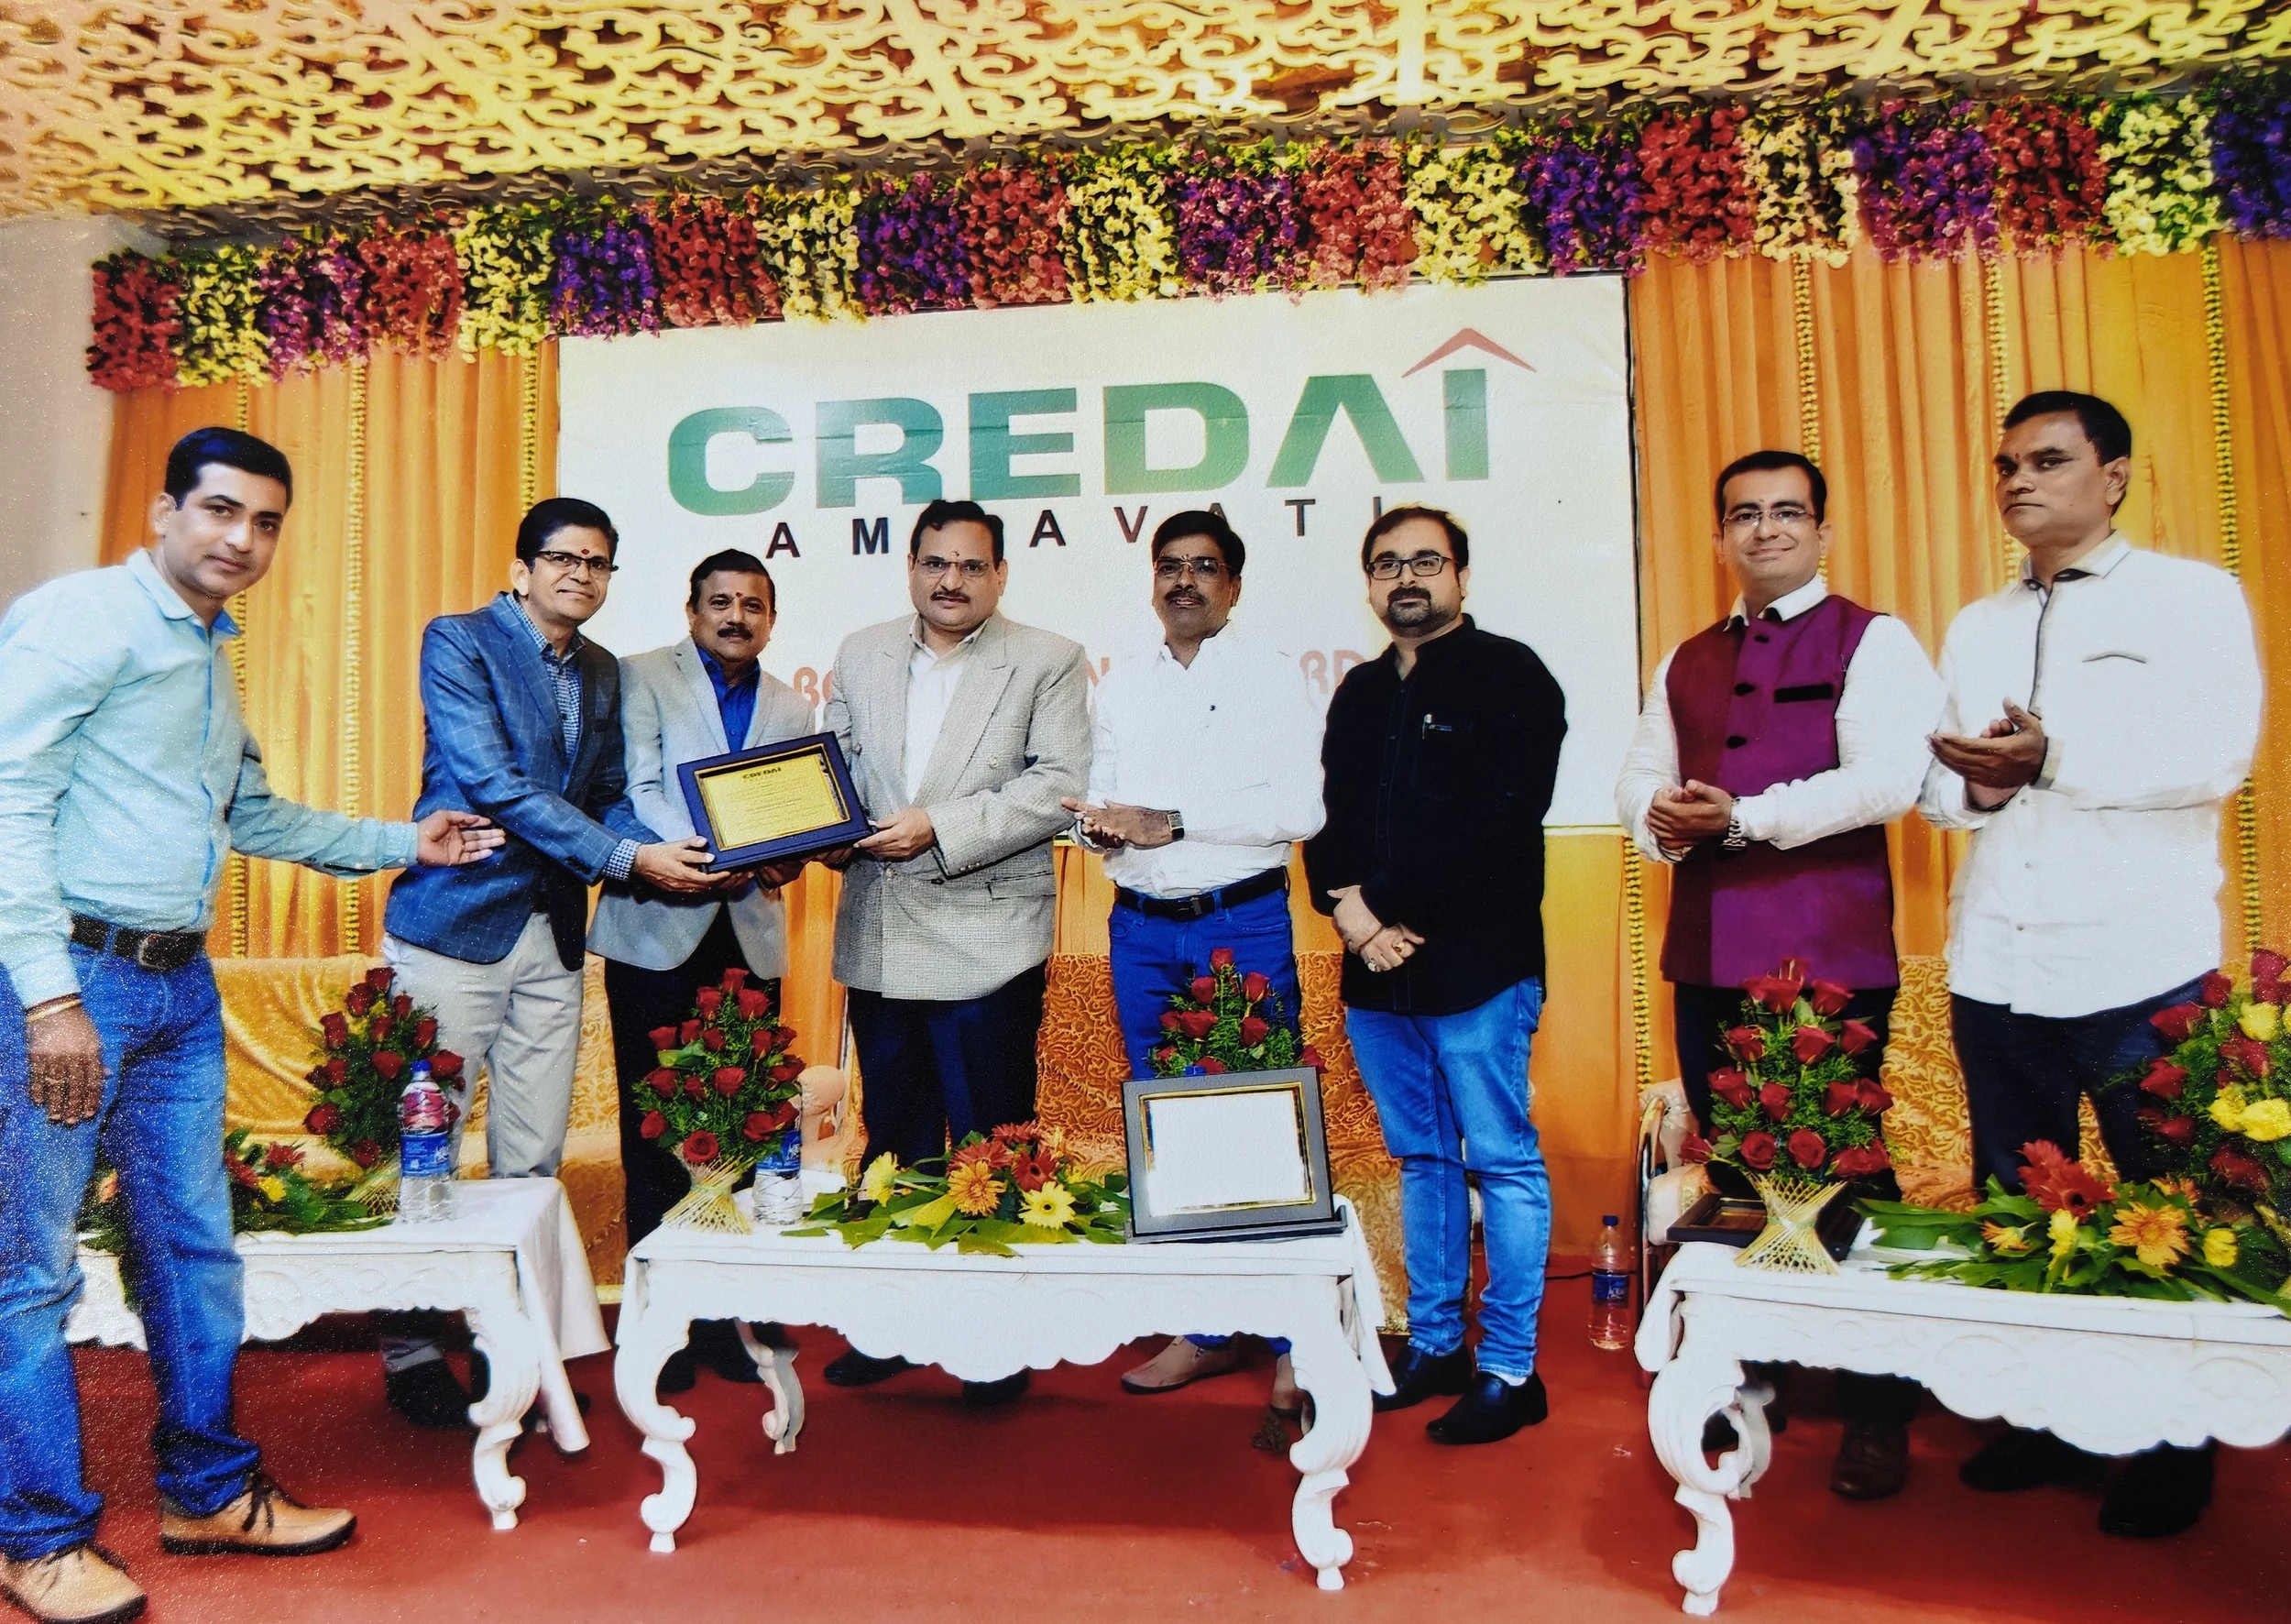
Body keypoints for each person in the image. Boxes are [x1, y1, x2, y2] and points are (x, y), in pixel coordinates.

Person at [0, 427, 504, 1624]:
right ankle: (35, 1537)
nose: (242, 539)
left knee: (193, 1254)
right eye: (220, 511)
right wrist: (47, 997)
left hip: (178, 991)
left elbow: (255, 817)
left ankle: (208, 1492)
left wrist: (403, 842)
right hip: (71, 981)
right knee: (29, 1273)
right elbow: (6, 794)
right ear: (166, 511)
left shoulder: (209, 656)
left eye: (266, 522)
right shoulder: (86, 618)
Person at [1922, 390, 2262, 1538]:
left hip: (2138, 963)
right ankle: (2042, 1412)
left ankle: (2176, 1440)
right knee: (2019, 1201)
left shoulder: (2191, 598)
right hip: (1995, 963)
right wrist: (1975, 780)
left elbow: (2216, 753)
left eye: (2049, 460)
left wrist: (2052, 755)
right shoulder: (1973, 623)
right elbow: (1944, 792)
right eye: (2006, 463)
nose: (2019, 480)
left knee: (2171, 1206)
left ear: (2113, 475)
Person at [1616, 449, 1945, 1498]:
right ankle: (1758, 1371)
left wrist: (1748, 817)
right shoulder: (1687, 656)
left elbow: (1889, 777)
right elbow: (1639, 773)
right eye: (1743, 515)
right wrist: (1655, 821)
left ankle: (1879, 1404)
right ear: (1718, 536)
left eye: (1786, 513)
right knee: (1742, 1177)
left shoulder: (1872, 637)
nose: (1764, 531)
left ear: (1822, 530)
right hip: (1708, 948)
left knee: (1842, 1169)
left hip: (1828, 957)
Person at [378, 496, 722, 1425]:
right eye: (564, 557)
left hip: (554, 934)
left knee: (529, 1156)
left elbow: (607, 794)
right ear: (523, 567)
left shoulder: (603, 670)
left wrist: (675, 845)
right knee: (427, 1135)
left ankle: (516, 1349)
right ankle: (410, 1343)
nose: (581, 574)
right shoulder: (459, 640)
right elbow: (490, 779)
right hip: (453, 925)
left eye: (599, 563)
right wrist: (626, 859)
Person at [1302, 505, 1566, 1446]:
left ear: (1460, 575)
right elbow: (1326, 816)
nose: (1405, 577)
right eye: (1386, 564)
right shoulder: (1361, 691)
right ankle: (1436, 1343)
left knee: (1501, 1159)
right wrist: (1347, 912)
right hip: (1377, 975)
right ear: (1369, 582)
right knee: (1423, 1158)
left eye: (1425, 560)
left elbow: (1500, 822)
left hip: (1476, 962)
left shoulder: (1511, 674)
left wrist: (1386, 913)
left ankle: (1508, 1368)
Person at [818, 498, 1090, 1406]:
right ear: (910, 567)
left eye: (971, 566)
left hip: (988, 933)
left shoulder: (1047, 659)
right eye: (935, 562)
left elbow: (1057, 788)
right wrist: (813, 826)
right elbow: (835, 768)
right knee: (891, 1135)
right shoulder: (859, 650)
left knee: (987, 1134)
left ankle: (994, 1337)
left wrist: (938, 823)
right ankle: (893, 1325)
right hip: (884, 928)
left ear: (1000, 574)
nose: (951, 580)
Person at [1060, 510, 1325, 1412]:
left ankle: (1296, 1333)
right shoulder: (1121, 679)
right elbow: (1102, 796)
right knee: (1166, 1119)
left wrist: (1171, 818)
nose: (1184, 582)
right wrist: (1090, 823)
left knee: (1261, 1113)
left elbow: (1297, 807)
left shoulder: (1272, 678)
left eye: (1203, 566)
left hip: (1236, 921)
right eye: (1168, 566)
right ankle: (1208, 1325)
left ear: (1234, 585)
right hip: (1139, 924)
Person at [590, 549, 816, 1394]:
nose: (735, 617)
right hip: (657, 923)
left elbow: (796, 812)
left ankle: (726, 1309)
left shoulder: (793, 703)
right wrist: (701, 852)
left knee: (742, 1127)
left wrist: (789, 857)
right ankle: (660, 1317)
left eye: (752, 606)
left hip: (747, 933)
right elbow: (634, 785)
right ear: (691, 612)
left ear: (770, 618)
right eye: (719, 602)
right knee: (655, 1127)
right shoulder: (640, 676)